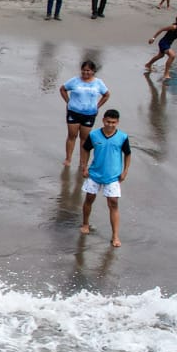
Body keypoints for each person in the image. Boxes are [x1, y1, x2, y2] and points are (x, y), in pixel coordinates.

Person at [80, 109, 131, 247]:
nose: (110, 125)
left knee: (113, 203)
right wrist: (84, 166)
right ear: (103, 120)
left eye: (113, 122)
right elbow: (85, 149)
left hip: (113, 176)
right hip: (95, 173)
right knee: (89, 198)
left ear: (117, 122)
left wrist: (125, 171)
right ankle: (85, 223)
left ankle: (115, 236)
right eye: (108, 121)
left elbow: (127, 154)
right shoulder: (94, 135)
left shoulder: (122, 137)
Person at [60, 60, 109, 165]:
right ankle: (68, 159)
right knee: (72, 136)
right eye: (83, 70)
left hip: (89, 114)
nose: (85, 73)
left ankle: (83, 162)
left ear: (93, 71)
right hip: (74, 112)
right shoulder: (74, 81)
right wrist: (68, 102)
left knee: (84, 138)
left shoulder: (98, 83)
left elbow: (106, 95)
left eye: (88, 70)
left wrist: (98, 106)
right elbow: (62, 89)